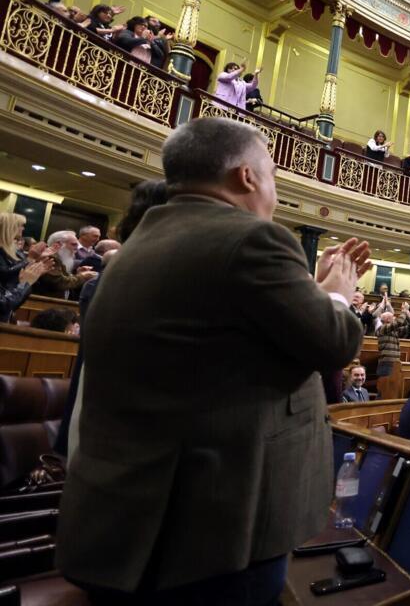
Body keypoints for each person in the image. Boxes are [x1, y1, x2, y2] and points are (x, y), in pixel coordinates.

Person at [56, 117, 368, 604]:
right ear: (246, 177)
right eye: (273, 177)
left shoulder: (138, 247)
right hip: (211, 531)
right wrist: (337, 296)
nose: (276, 194)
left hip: (131, 520)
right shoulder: (251, 239)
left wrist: (310, 289)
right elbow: (332, 342)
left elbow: (226, 344)